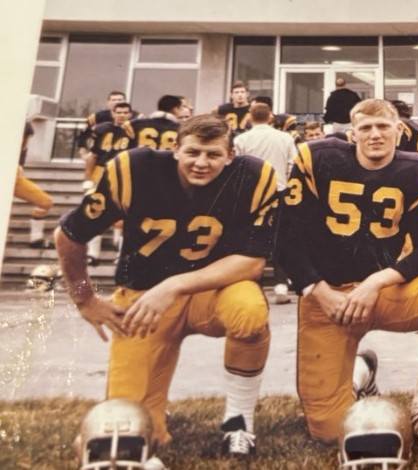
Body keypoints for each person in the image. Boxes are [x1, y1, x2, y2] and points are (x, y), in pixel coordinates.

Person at [55, 114, 279, 457]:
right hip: (145, 299)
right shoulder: (134, 169)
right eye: (193, 152)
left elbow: (252, 262)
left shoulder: (253, 176)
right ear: (175, 149)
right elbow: (69, 235)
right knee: (130, 428)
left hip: (211, 293)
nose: (201, 163)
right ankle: (153, 411)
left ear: (230, 155)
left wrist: (174, 285)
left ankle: (239, 420)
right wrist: (85, 299)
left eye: (213, 154)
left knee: (249, 311)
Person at [277, 98, 418, 447]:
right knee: (328, 431)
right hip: (329, 297)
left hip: (385, 292)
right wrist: (321, 292)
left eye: (383, 127)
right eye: (366, 128)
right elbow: (286, 239)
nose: (374, 135)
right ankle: (361, 374)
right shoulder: (316, 159)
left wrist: (375, 282)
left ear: (399, 131)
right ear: (352, 133)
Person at [234, 102, 295, 304]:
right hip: (278, 190)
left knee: (252, 238)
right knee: (281, 237)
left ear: (250, 117)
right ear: (270, 117)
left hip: (252, 192)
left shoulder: (242, 139)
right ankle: (281, 285)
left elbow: (237, 167)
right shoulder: (285, 138)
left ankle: (253, 285)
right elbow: (292, 164)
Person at [85, 102, 134, 262]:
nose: (121, 115)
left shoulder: (134, 131)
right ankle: (93, 253)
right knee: (94, 211)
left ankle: (120, 253)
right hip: (101, 172)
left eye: (125, 112)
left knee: (123, 215)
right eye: (118, 112)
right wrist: (87, 178)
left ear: (130, 114)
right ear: (112, 113)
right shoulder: (102, 129)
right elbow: (92, 156)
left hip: (123, 173)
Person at [15, 122, 54, 249]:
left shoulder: (23, 147)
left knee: (45, 202)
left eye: (26, 138)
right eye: (24, 137)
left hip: (15, 180)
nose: (25, 141)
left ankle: (36, 238)